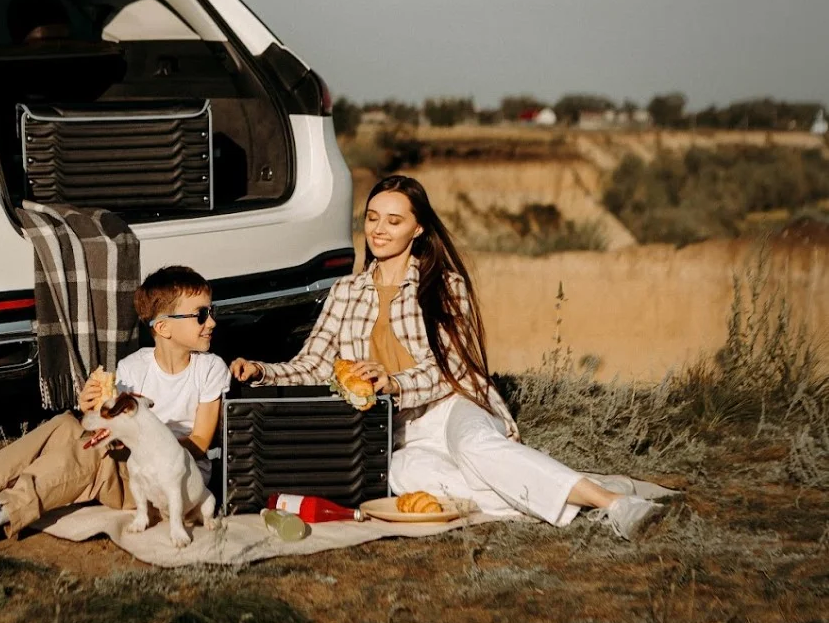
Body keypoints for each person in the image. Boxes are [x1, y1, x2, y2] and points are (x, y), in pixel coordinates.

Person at [230, 175, 665, 540]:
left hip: (452, 402)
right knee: (402, 476)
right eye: (372, 218)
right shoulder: (346, 292)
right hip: (394, 428)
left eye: (394, 221)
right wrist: (262, 370)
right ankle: (571, 489)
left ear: (417, 229)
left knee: (477, 447)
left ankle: (615, 503)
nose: (379, 230)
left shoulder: (443, 285)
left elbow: (450, 368)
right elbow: (314, 364)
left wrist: (395, 381)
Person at [0, 266, 231, 544]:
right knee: (67, 425)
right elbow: (111, 428)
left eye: (210, 312)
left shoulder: (209, 368)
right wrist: (92, 408)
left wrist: (139, 439)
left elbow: (200, 442)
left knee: (89, 453)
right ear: (163, 327)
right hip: (135, 468)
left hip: (171, 488)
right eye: (202, 315)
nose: (211, 322)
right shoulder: (133, 368)